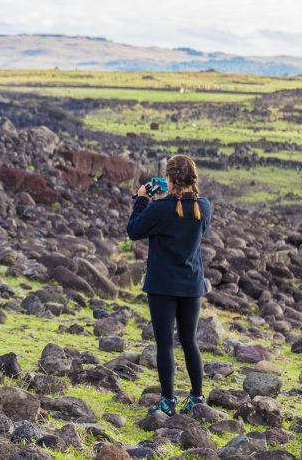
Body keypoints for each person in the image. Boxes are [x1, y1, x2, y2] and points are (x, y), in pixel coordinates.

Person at [126, 154, 213, 416]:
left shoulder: (159, 208)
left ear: (170, 179)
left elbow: (133, 231)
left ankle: (168, 401)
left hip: (162, 285)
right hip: (191, 284)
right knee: (189, 341)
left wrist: (142, 198)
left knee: (165, 343)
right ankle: (197, 397)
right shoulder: (204, 206)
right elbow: (200, 232)